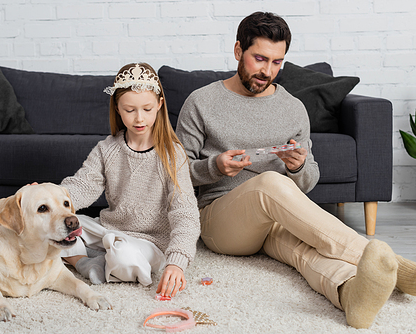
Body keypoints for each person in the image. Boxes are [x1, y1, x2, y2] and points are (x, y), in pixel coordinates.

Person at [175, 11, 416, 329]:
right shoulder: (201, 102)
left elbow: (308, 180)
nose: (267, 71)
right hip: (220, 222)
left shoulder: (292, 108)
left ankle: (351, 295)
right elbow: (175, 176)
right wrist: (214, 166)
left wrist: (300, 165)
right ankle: (397, 267)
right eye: (259, 58)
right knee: (270, 183)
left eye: (277, 62)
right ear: (238, 51)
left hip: (272, 221)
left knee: (307, 252)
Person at [59, 63, 201, 298]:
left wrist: (176, 262)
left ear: (159, 105)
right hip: (108, 229)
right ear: (117, 108)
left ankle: (103, 256)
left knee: (124, 256)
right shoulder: (107, 149)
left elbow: (185, 212)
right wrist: (49, 195)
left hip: (150, 242)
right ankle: (83, 262)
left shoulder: (172, 153)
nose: (139, 118)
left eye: (146, 109)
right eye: (129, 110)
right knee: (51, 229)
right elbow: (82, 185)